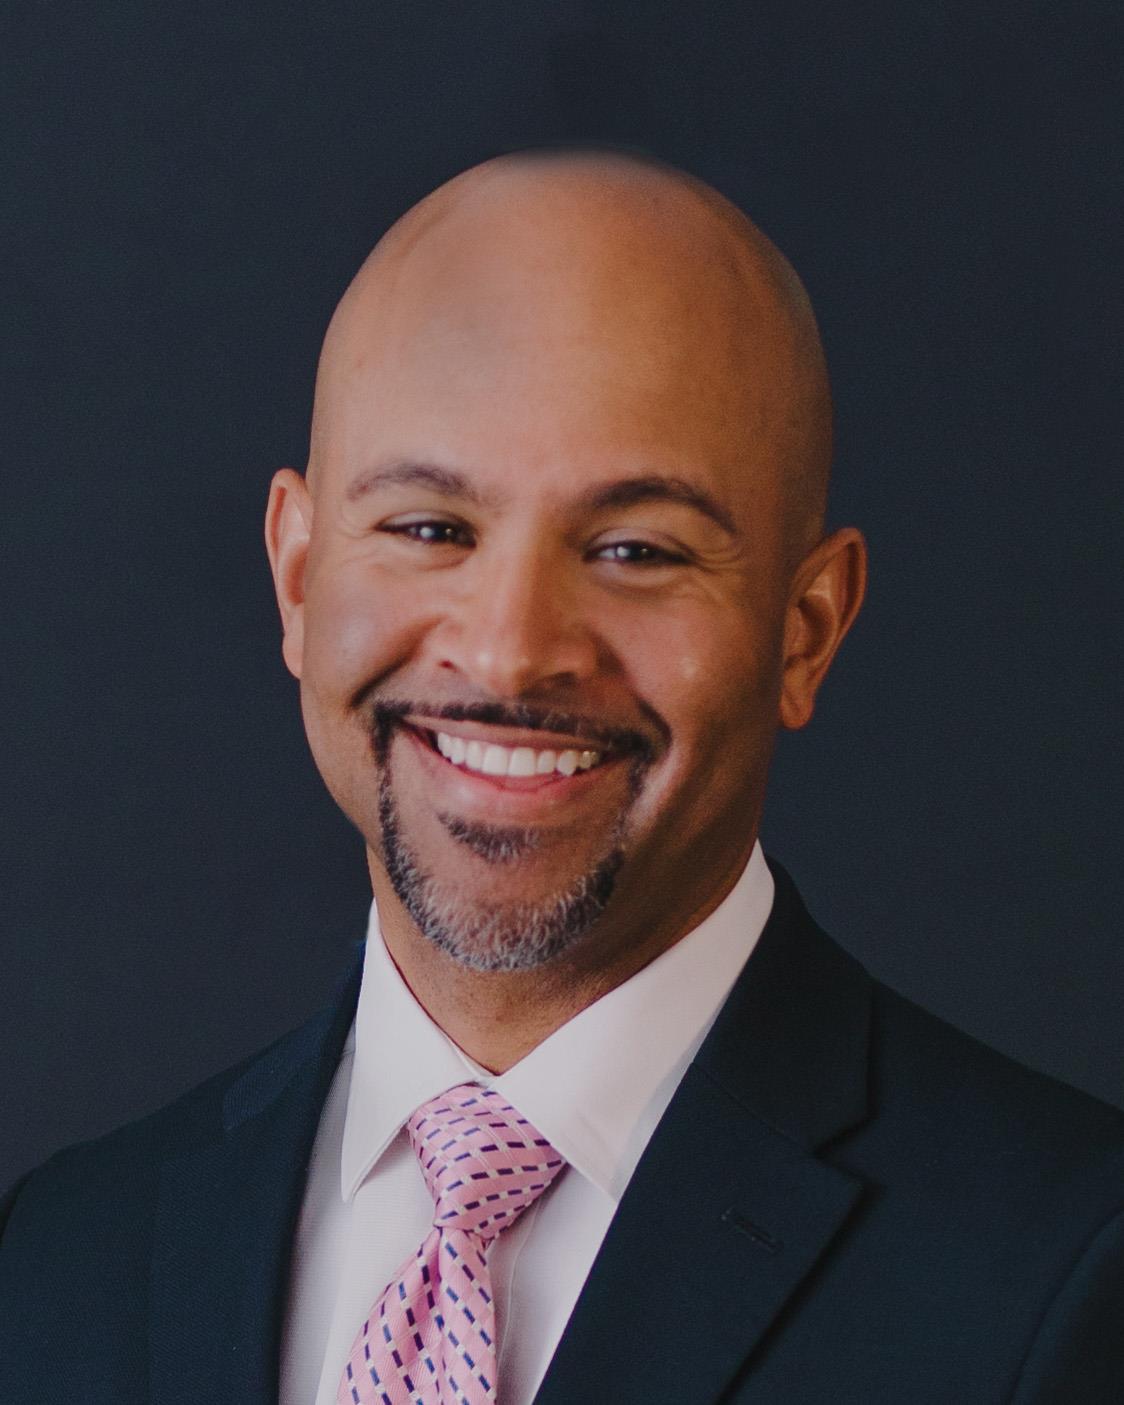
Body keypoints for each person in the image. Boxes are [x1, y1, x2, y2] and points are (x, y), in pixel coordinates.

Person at [2, 149, 1122, 1404]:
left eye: (635, 549)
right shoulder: (58, 1263)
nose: (510, 649)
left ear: (803, 630)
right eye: (430, 529)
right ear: (300, 578)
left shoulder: (1070, 1278)